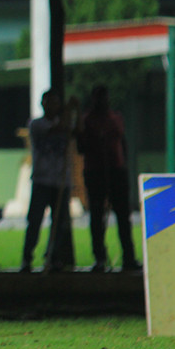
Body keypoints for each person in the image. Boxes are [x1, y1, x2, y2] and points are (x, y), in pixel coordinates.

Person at [77, 85, 141, 272]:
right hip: (95, 172)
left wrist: (124, 166)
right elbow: (81, 147)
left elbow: (123, 142)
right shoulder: (87, 120)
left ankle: (128, 257)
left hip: (116, 171)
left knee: (123, 217)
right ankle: (99, 258)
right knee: (97, 216)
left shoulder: (116, 118)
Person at [21, 90, 77, 273]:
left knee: (59, 222)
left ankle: (52, 258)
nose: (52, 106)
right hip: (42, 180)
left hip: (60, 182)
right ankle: (27, 258)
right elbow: (57, 129)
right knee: (35, 220)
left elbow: (76, 132)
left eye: (56, 102)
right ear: (42, 104)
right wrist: (69, 110)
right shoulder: (36, 125)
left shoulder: (66, 123)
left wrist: (76, 111)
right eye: (49, 102)